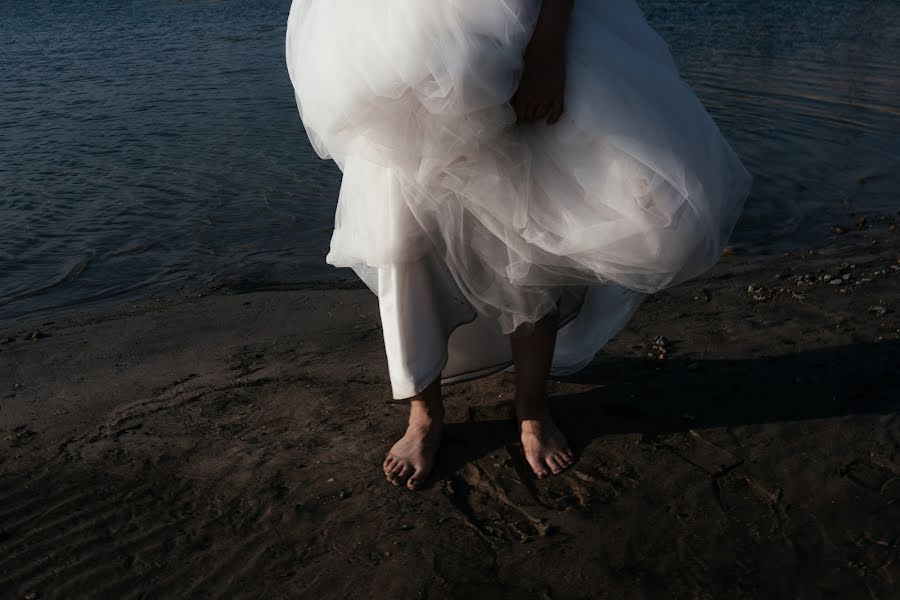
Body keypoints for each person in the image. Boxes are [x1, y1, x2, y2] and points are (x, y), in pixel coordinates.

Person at [285, 0, 752, 490]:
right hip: (389, 43)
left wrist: (547, 51)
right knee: (403, 231)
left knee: (528, 223)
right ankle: (423, 413)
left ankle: (532, 407)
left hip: (513, 32)